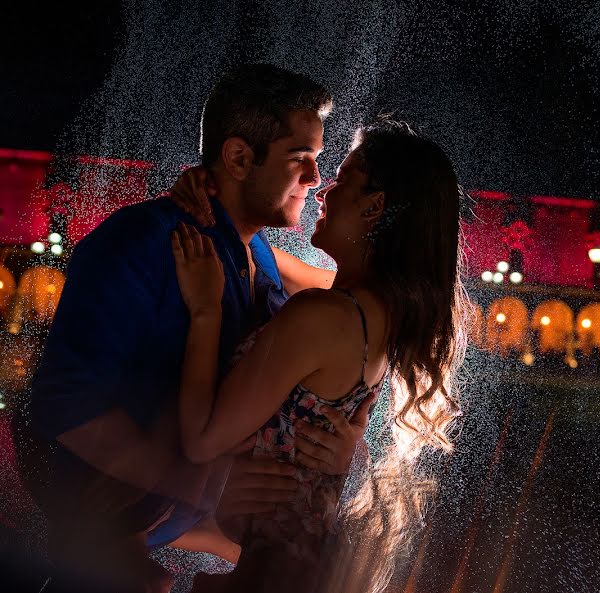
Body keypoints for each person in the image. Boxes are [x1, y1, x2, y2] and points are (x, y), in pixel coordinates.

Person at [15, 64, 369, 593]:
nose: (316, 180)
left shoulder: (260, 259)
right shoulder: (143, 244)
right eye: (302, 160)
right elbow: (64, 404)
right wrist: (206, 485)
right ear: (239, 158)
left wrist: (344, 451)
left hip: (154, 543)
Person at [170, 118, 468, 593]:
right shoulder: (376, 314)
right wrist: (219, 202)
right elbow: (257, 253)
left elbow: (203, 439)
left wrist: (206, 312)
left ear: (374, 207)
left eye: (343, 181)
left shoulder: (322, 317)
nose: (324, 191)